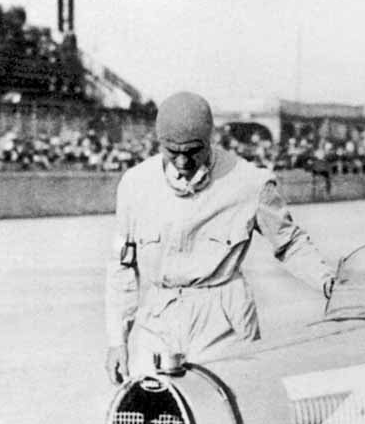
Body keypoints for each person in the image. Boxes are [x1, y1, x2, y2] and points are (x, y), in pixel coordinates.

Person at [105, 91, 333, 383]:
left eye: (193, 150)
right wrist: (117, 340)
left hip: (225, 323)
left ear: (209, 138)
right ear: (159, 142)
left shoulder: (250, 182)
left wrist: (328, 281)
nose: (183, 161)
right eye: (172, 151)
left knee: (233, 402)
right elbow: (122, 266)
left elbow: (290, 243)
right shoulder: (136, 185)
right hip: (157, 322)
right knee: (151, 403)